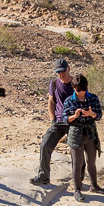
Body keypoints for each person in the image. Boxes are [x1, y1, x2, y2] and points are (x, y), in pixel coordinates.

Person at [31, 58, 74, 186]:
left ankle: (78, 178)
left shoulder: (76, 82)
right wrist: (52, 119)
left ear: (68, 68)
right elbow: (51, 101)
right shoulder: (54, 83)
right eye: (58, 72)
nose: (61, 74)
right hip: (59, 121)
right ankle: (43, 176)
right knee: (45, 145)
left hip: (74, 121)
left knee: (75, 150)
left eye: (63, 71)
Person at [64, 73, 104, 203]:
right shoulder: (69, 100)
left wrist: (91, 114)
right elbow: (65, 119)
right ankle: (77, 189)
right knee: (77, 163)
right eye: (78, 90)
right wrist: (75, 116)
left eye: (83, 90)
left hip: (90, 133)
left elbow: (99, 115)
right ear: (74, 88)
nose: (81, 92)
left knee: (91, 161)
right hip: (75, 133)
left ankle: (94, 185)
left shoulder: (93, 98)